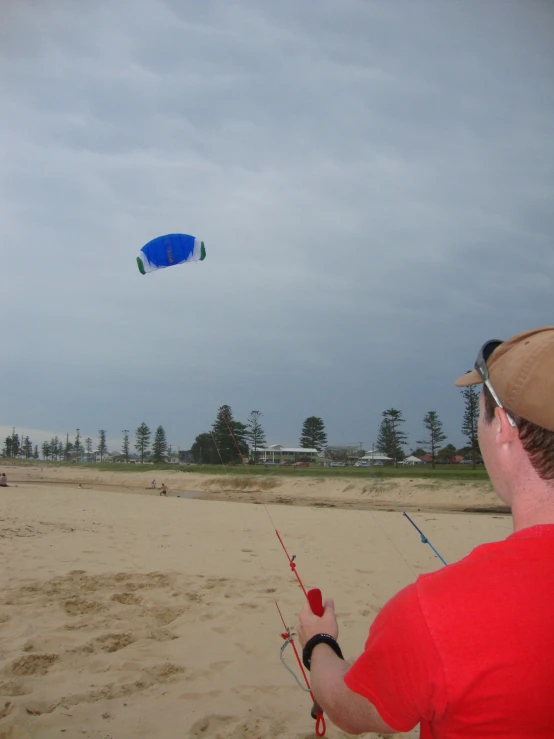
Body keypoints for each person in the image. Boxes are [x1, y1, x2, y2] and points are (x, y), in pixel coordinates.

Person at [297, 326, 554, 737]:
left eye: (481, 413)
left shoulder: (431, 612)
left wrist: (318, 642)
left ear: (503, 428)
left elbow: (351, 708)